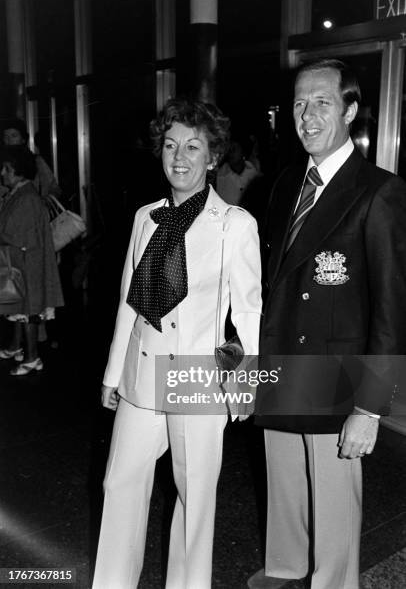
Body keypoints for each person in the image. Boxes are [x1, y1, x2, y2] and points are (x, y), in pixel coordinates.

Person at [92, 98, 262, 589]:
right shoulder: (147, 217)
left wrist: (242, 382)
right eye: (170, 145)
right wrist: (112, 374)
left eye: (193, 146)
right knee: (118, 484)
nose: (179, 156)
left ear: (212, 157)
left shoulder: (234, 224)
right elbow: (130, 300)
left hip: (196, 376)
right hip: (142, 371)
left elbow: (247, 311)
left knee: (194, 501)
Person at [250, 59, 406, 589]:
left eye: (322, 102)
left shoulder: (379, 190)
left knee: (335, 495)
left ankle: (334, 581)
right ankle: (286, 564)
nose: (307, 115)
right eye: (299, 103)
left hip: (337, 371)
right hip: (280, 360)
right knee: (284, 478)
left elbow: (391, 308)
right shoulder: (288, 182)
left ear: (351, 110)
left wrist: (370, 405)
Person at [0, 146, 64, 375]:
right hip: (22, 262)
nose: (2, 174)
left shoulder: (26, 197)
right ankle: (16, 347)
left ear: (17, 170)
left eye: (6, 169)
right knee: (18, 309)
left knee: (29, 312)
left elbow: (21, 236)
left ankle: (32, 358)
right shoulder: (19, 192)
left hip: (30, 265)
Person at [3, 118, 60, 198]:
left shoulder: (36, 161)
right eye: (6, 136)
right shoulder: (3, 163)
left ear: (23, 139)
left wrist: (41, 203)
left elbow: (54, 190)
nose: (9, 140)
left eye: (14, 136)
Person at [216, 137, 261, 205]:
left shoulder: (254, 175)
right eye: (229, 150)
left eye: (234, 149)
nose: (230, 153)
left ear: (243, 151)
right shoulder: (220, 176)